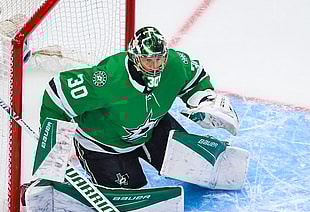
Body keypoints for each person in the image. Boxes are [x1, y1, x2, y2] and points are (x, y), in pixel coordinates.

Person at [39, 26, 240, 189]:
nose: (154, 66)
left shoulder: (176, 64)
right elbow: (56, 96)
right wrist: (53, 151)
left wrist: (204, 100)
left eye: (158, 59)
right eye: (147, 60)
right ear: (135, 58)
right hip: (104, 145)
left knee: (195, 166)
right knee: (132, 189)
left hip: (151, 129)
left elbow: (195, 81)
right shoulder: (107, 78)